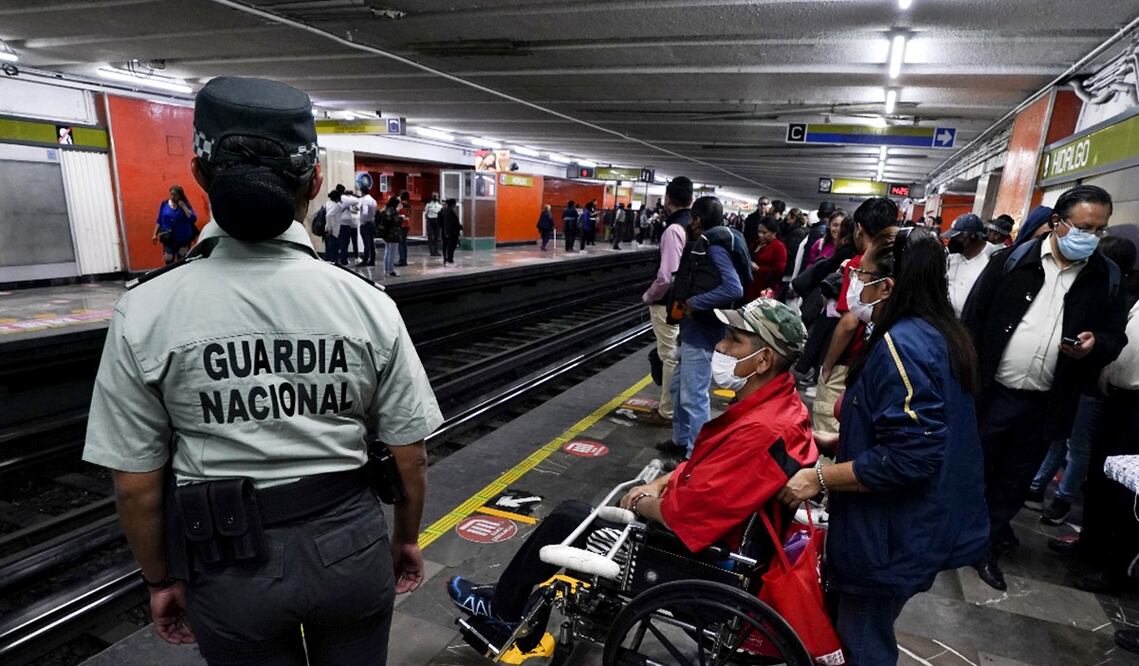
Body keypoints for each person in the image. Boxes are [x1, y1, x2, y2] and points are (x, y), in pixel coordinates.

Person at [81, 77, 442, 666]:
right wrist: (404, 538)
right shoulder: (368, 302)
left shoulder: (144, 310)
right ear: (316, 180)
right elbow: (410, 452)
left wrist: (159, 579)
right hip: (350, 546)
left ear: (199, 174)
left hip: (226, 559)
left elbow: (136, 484)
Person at [448, 297, 817, 629]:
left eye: (734, 340)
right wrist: (661, 482)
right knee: (579, 514)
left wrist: (641, 501)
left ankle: (503, 611)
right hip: (723, 541)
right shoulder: (784, 409)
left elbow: (686, 515)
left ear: (764, 359)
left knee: (567, 519)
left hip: (695, 559)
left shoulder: (761, 431)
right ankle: (507, 603)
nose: (720, 345)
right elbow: (715, 473)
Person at [779, 227, 989, 666]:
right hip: (921, 522)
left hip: (892, 534)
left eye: (861, 272)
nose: (854, 279)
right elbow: (918, 429)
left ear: (887, 286)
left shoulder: (901, 345)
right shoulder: (936, 331)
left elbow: (911, 456)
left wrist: (817, 477)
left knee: (863, 638)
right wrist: (842, 439)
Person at [962, 185, 1128, 591]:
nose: (1091, 236)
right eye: (1084, 226)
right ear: (1057, 223)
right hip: (994, 392)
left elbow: (1114, 337)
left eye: (1100, 229)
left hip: (1049, 401)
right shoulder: (1011, 262)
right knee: (973, 466)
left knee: (1016, 478)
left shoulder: (1105, 276)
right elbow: (973, 320)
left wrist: (1095, 346)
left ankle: (987, 546)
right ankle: (955, 534)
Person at [1026, 235, 1138, 525]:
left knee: (1077, 446)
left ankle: (1061, 498)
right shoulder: (1110, 291)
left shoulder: (1116, 293)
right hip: (1079, 380)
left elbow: (1115, 342)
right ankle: (1037, 486)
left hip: (1094, 385)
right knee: (1058, 438)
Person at [662, 196, 745, 459]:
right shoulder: (704, 245)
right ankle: (680, 440)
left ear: (697, 220)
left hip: (702, 333)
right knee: (678, 390)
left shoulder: (714, 248)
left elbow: (734, 288)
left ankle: (694, 456)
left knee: (694, 397)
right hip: (691, 331)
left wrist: (695, 302)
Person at [812, 197, 900, 438]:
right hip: (878, 361)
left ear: (859, 229)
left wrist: (827, 366)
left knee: (828, 426)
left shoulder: (860, 265)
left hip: (848, 360)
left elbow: (850, 322)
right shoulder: (901, 263)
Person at [640, 178, 692, 429]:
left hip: (668, 303)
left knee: (669, 355)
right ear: (691, 200)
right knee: (679, 353)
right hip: (685, 301)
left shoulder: (673, 230)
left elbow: (666, 276)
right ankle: (676, 406)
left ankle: (667, 411)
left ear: (668, 199)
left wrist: (649, 296)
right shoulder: (693, 224)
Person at [942, 213, 991, 317]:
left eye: (958, 237)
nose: (953, 242)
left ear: (973, 237)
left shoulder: (986, 266)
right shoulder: (952, 259)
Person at [152, 185, 198, 265]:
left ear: (180, 196)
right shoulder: (164, 204)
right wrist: (154, 234)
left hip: (183, 239)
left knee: (182, 261)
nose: (172, 197)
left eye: (175, 195)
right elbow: (159, 220)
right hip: (168, 238)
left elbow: (193, 218)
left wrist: (183, 206)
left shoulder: (185, 205)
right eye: (171, 194)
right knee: (168, 258)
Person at [745, 216, 787, 301]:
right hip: (749, 287)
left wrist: (758, 269)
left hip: (762, 293)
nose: (760, 235)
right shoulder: (757, 243)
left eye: (764, 233)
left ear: (774, 233)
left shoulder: (779, 247)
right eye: (759, 232)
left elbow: (779, 271)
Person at [335, 186, 361, 267]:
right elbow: (356, 201)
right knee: (345, 243)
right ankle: (344, 260)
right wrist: (350, 196)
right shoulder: (344, 198)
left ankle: (341, 259)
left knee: (340, 243)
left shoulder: (336, 198)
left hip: (338, 223)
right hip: (345, 224)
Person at [378, 195, 402, 276]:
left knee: (387, 251)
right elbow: (395, 222)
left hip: (386, 234)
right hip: (393, 234)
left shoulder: (385, 209)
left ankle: (386, 268)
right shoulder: (393, 211)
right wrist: (401, 218)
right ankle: (390, 270)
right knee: (392, 253)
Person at [357, 188, 377, 267]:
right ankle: (372, 260)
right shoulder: (373, 200)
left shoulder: (365, 200)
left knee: (366, 243)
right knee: (371, 243)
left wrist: (363, 220)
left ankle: (365, 260)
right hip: (371, 223)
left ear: (362, 192)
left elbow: (365, 212)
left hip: (365, 224)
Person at [440, 197, 462, 265]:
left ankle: (449, 258)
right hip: (452, 232)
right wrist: (460, 227)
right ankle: (450, 259)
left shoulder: (446, 211)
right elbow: (454, 222)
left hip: (449, 231)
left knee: (450, 246)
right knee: (452, 246)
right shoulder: (450, 212)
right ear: (452, 204)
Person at [424, 192, 443, 257]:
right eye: (434, 196)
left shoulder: (440, 206)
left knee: (436, 237)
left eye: (436, 196)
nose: (435, 197)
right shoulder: (428, 205)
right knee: (430, 236)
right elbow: (426, 214)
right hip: (430, 221)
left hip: (437, 221)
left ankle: (436, 251)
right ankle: (432, 251)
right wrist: (428, 221)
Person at [395, 190, 411, 267]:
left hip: (401, 225)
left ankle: (401, 260)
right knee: (404, 243)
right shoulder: (409, 204)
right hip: (407, 224)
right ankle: (404, 259)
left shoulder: (401, 204)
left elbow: (396, 211)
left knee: (400, 243)